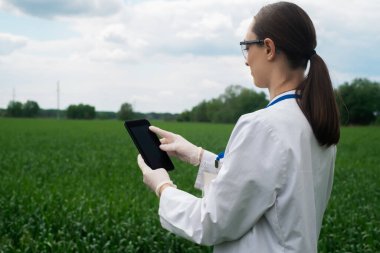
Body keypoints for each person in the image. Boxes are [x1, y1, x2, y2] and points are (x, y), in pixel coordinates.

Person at [136, 2, 340, 252]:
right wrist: (198, 156)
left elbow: (211, 222)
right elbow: (265, 187)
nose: (246, 61)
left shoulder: (264, 126)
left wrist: (163, 187)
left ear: (268, 48)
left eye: (246, 47)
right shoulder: (313, 120)